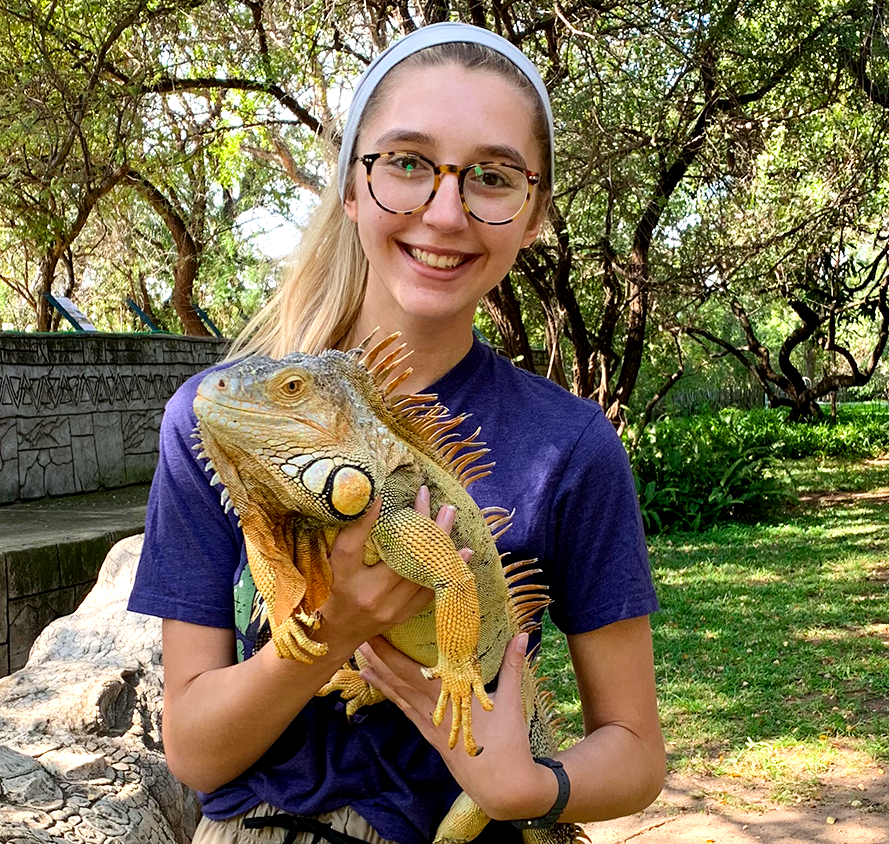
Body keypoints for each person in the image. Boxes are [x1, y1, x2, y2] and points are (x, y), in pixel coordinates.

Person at [129, 22, 665, 844]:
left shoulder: (570, 444)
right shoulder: (219, 417)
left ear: (533, 214)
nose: (444, 212)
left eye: (492, 177)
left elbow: (634, 755)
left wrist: (526, 785)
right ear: (352, 186)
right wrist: (331, 632)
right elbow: (194, 754)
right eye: (408, 163)